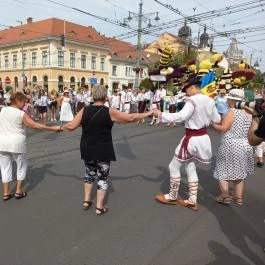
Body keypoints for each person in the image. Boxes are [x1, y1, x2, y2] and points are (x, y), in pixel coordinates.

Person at [58, 85, 154, 215]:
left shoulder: (84, 110)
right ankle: (99, 207)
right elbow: (131, 118)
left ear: (93, 96)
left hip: (87, 147)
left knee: (89, 174)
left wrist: (58, 128)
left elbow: (71, 126)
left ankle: (86, 201)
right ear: (105, 97)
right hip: (103, 149)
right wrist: (150, 112)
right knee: (102, 178)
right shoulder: (109, 111)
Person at [154, 77, 221, 211]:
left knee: (173, 166)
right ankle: (192, 200)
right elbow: (217, 119)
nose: (186, 93)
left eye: (186, 90)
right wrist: (204, 119)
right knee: (190, 167)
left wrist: (160, 114)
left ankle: (172, 196)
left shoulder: (192, 100)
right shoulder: (210, 100)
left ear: (192, 87)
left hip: (191, 138)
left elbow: (181, 116)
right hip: (203, 138)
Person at [0, 92, 58, 201]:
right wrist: (53, 128)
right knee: (21, 166)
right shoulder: (20, 113)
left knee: (5, 168)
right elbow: (34, 125)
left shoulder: (3, 110)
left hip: (2, 143)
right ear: (17, 100)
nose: (24, 104)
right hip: (16, 143)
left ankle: (6, 193)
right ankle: (18, 191)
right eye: (23, 102)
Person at [211, 89, 254, 206]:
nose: (227, 100)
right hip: (244, 144)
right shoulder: (249, 112)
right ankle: (238, 197)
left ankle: (225, 196)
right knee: (240, 172)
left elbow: (223, 128)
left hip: (230, 144)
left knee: (222, 170)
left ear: (232, 100)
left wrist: (211, 124)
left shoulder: (232, 111)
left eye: (229, 99)